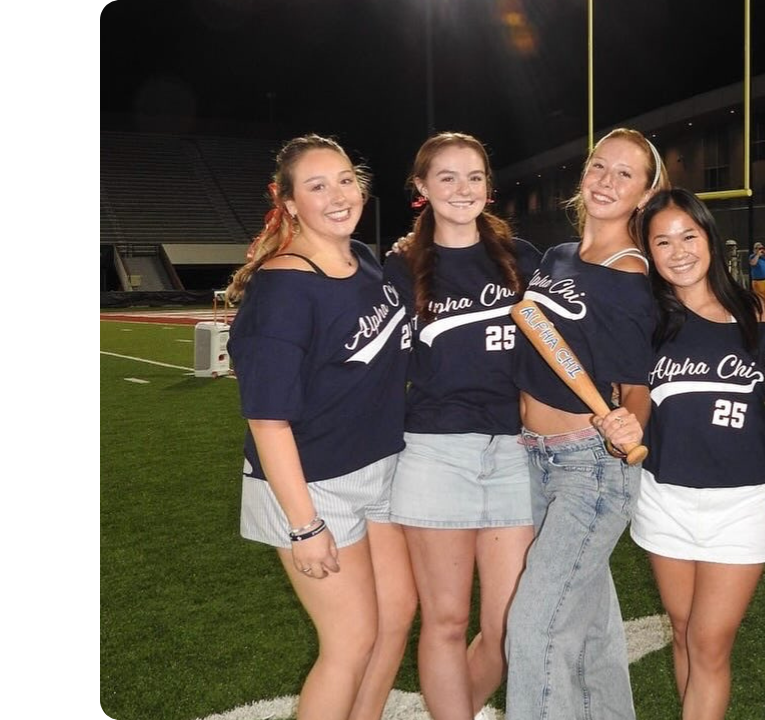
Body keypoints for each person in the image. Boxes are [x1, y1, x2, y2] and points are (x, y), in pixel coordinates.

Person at [226, 134, 416, 720]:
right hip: (311, 484)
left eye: (344, 179)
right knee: (351, 639)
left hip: (378, 465)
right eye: (316, 186)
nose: (338, 195)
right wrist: (304, 526)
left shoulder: (365, 259)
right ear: (288, 204)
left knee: (397, 615)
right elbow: (267, 418)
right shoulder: (283, 289)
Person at [505, 127, 670, 720]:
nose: (606, 181)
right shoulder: (558, 257)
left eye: (625, 174)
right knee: (593, 630)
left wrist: (631, 425)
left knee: (536, 628)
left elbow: (636, 388)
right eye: (600, 166)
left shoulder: (630, 276)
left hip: (589, 468)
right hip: (533, 458)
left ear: (646, 193)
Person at [383, 132, 542, 720]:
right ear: (421, 188)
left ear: (488, 186)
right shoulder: (399, 268)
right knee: (446, 620)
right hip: (434, 453)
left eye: (473, 176)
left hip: (513, 453)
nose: (462, 188)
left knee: (506, 628)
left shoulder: (522, 257)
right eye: (445, 177)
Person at [631, 188, 765, 720]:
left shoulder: (756, 312)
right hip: (664, 496)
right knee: (684, 631)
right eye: (662, 240)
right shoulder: (645, 319)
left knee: (710, 643)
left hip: (742, 501)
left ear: (710, 238)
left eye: (688, 235)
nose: (679, 251)